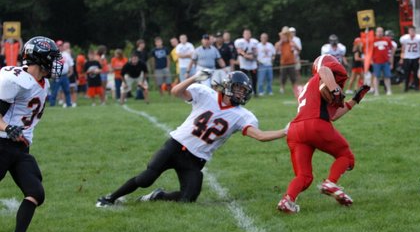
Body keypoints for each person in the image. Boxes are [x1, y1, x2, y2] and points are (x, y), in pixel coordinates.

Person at [97, 71, 287, 207]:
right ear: (228, 85)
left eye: (244, 91)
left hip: (195, 160)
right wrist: (194, 78)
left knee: (188, 198)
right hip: (175, 146)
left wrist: (285, 131)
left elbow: (260, 136)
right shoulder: (206, 94)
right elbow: (175, 92)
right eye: (238, 88)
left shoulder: (243, 115)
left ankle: (158, 196)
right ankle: (110, 198)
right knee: (146, 178)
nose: (241, 93)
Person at [277, 55, 370, 213]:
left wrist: (354, 100)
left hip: (295, 130)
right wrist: (335, 89)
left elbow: (333, 115)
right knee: (346, 156)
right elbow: (324, 69)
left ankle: (288, 200)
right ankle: (331, 183)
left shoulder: (313, 85)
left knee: (304, 177)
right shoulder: (325, 75)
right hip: (315, 124)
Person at [0, 36, 63, 232]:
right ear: (40, 58)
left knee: (36, 192)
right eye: (52, 58)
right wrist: (8, 128)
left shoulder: (43, 83)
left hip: (21, 148)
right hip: (2, 144)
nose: (56, 63)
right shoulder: (15, 79)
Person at [399, 26, 420, 92]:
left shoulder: (419, 38)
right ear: (408, 31)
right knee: (406, 73)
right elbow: (403, 49)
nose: (411, 32)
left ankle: (416, 86)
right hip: (407, 57)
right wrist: (401, 58)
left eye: (412, 31)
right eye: (410, 31)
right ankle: (406, 87)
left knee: (415, 73)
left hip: (416, 57)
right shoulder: (405, 38)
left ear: (415, 31)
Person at [48, 40, 73, 108]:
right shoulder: (53, 54)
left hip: (65, 75)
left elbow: (70, 64)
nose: (60, 47)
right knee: (54, 91)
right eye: (58, 46)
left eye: (61, 46)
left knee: (67, 91)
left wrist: (70, 72)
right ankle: (52, 105)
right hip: (56, 76)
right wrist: (51, 74)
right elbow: (49, 65)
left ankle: (69, 104)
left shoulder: (66, 54)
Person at [235, 28, 259, 94]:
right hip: (244, 64)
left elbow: (256, 52)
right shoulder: (240, 42)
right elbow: (240, 52)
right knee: (243, 79)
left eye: (248, 33)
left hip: (252, 64)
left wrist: (253, 56)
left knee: (254, 79)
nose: (247, 35)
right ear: (243, 35)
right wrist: (248, 56)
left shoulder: (254, 42)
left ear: (250, 35)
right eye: (246, 34)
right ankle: (243, 91)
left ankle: (255, 91)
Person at [275, 27, 298, 95]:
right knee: (283, 77)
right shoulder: (280, 43)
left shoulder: (291, 42)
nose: (285, 37)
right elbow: (275, 50)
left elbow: (298, 49)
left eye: (286, 35)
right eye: (283, 35)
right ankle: (282, 89)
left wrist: (294, 45)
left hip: (291, 63)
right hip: (283, 63)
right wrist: (281, 41)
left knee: (293, 77)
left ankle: (295, 89)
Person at [371, 27, 394, 96]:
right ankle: (376, 91)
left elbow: (392, 48)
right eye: (378, 31)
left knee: (387, 76)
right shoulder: (373, 40)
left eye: (381, 31)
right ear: (376, 32)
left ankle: (389, 90)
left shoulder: (387, 40)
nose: (380, 33)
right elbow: (369, 51)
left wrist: (390, 58)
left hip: (385, 61)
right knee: (376, 76)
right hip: (376, 61)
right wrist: (371, 60)